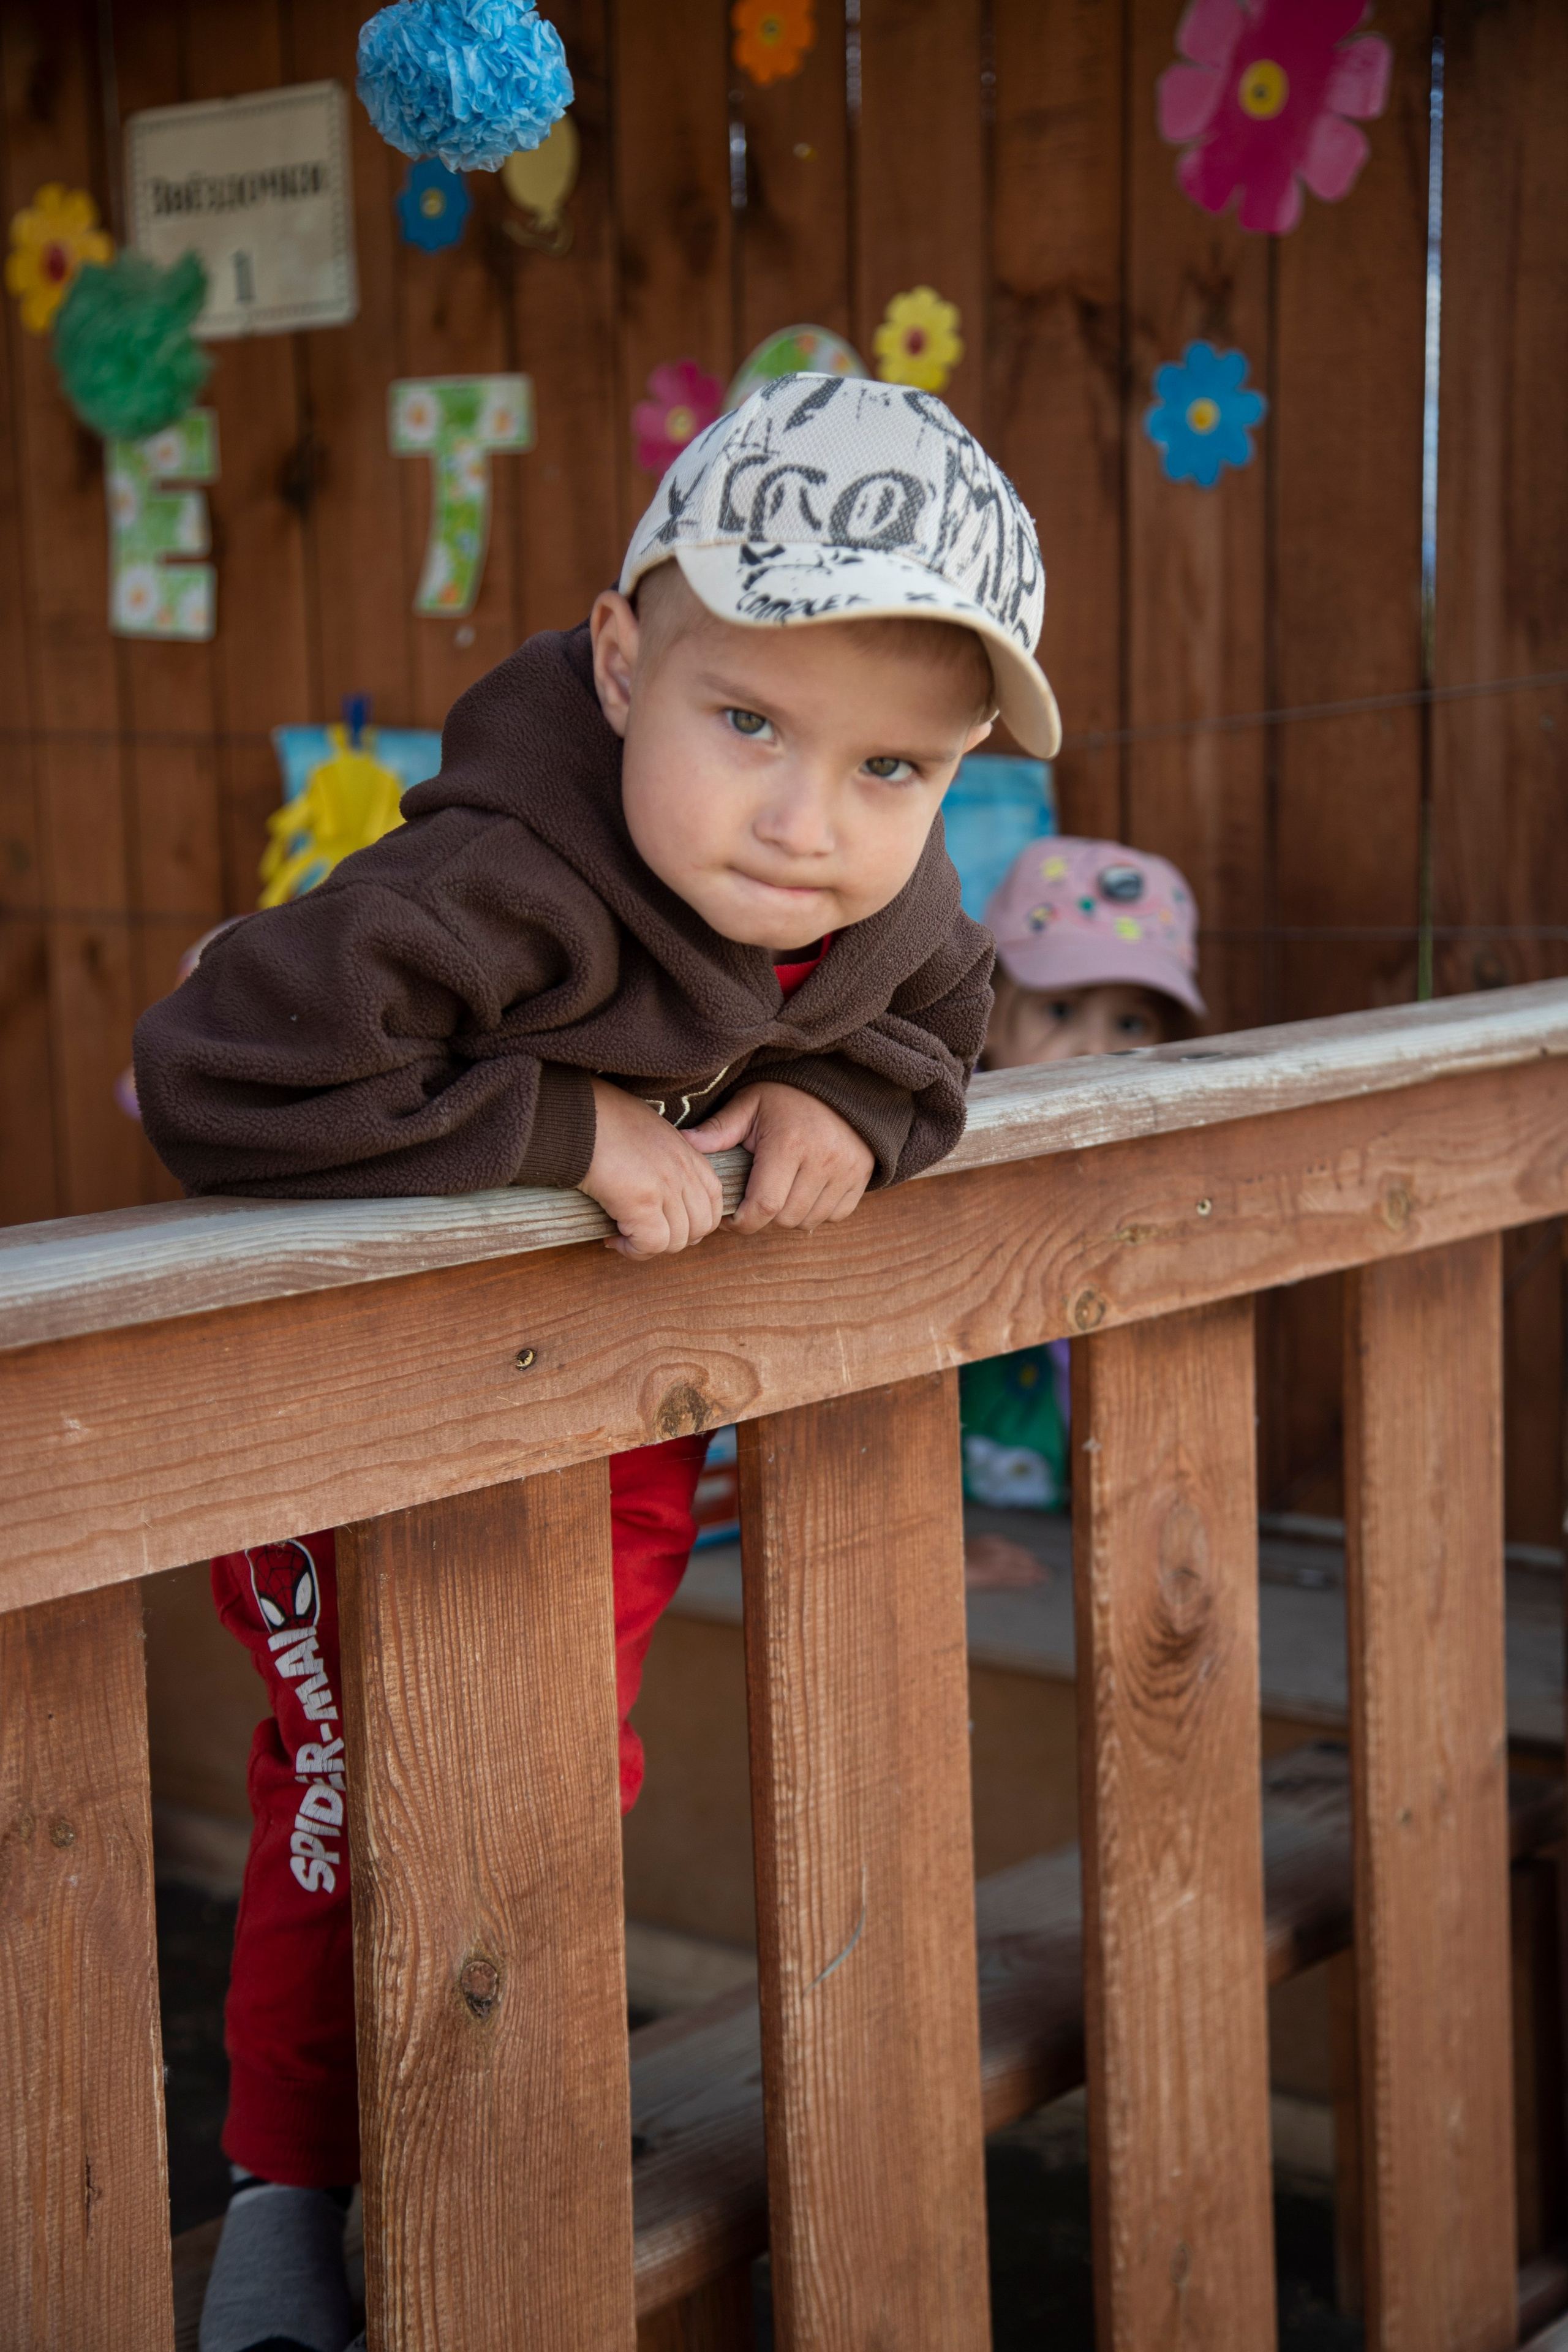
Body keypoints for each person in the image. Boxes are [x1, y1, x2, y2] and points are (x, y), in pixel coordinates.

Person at [133, 374, 1061, 2352]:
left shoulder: (879, 904)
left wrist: (849, 1105)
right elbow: (207, 1062)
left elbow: (945, 1028)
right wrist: (572, 1134)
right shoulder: (500, 877)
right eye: (750, 726)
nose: (812, 825)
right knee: (359, 1795)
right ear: (624, 658)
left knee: (556, 1783)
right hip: (351, 1427)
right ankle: (290, 2190)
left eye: (895, 770)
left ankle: (470, 2147)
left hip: (593, 1434)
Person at [961, 835, 1203, 1589]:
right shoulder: (940, 1157)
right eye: (1061, 1010)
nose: (1094, 1050)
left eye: (1131, 1026)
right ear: (990, 1019)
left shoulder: (1164, 1177)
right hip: (953, 1509)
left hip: (1104, 1522)